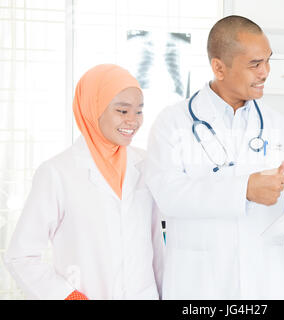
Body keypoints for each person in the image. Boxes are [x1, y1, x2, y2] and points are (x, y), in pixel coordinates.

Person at [145, 15, 284, 299]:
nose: (265, 72)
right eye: (254, 64)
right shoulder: (172, 123)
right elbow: (168, 194)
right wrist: (244, 189)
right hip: (201, 283)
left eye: (267, 61)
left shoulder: (280, 127)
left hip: (263, 281)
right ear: (219, 67)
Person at [3, 64, 164, 300]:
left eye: (138, 111)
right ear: (93, 108)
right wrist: (67, 296)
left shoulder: (147, 165)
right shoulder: (57, 172)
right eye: (122, 111)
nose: (133, 121)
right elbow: (21, 256)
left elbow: (158, 248)